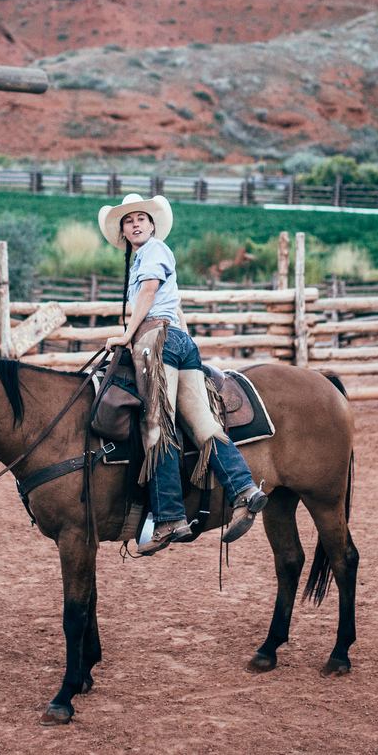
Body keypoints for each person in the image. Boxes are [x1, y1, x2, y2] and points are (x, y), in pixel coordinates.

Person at [97, 193, 267, 555]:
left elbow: (149, 291)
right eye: (129, 221)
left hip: (156, 341)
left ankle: (170, 517)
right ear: (124, 232)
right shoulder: (150, 254)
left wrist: (128, 335)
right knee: (204, 425)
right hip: (178, 340)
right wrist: (187, 345)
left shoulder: (153, 251)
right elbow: (173, 305)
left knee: (157, 427)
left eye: (142, 218)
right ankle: (245, 489)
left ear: (153, 225)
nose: (136, 223)